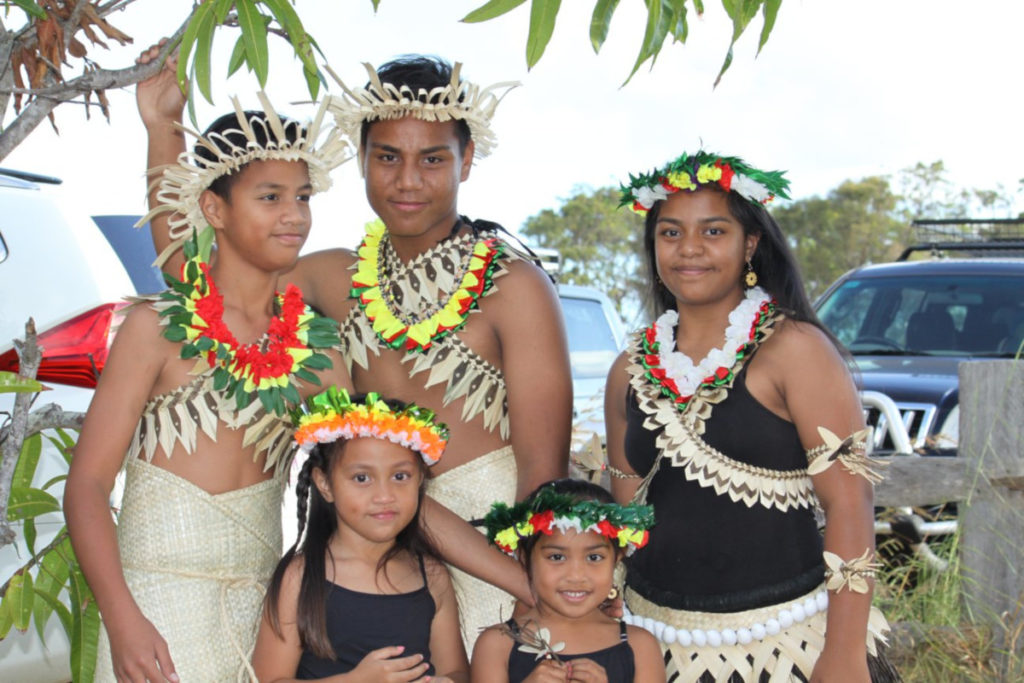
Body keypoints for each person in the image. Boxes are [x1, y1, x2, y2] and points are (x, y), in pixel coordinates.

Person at [137, 49, 573, 649]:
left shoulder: (513, 286)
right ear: (362, 160)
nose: (408, 180)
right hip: (383, 568)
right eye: (387, 158)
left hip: (498, 566)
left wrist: (533, 590)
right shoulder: (335, 278)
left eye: (433, 159)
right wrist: (163, 130)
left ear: (467, 160)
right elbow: (197, 285)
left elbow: (544, 476)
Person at [64, 96, 352, 682]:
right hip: (154, 611)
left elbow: (359, 481)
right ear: (213, 210)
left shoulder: (318, 355)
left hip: (263, 614)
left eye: (302, 197)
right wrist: (123, 620)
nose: (294, 214)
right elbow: (87, 486)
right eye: (270, 197)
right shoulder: (156, 330)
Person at [604, 152, 899, 682]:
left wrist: (845, 651)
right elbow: (626, 498)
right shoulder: (629, 369)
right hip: (655, 645)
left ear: (751, 244)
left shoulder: (796, 350)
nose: (689, 249)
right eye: (670, 233)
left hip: (788, 645)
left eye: (712, 231)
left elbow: (849, 499)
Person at [253, 387, 468, 681]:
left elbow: (457, 671)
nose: (384, 495)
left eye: (400, 476)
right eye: (362, 478)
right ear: (325, 484)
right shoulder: (300, 578)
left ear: (419, 480)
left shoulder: (432, 577)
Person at [472, 479, 664, 683]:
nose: (576, 575)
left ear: (617, 558)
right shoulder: (496, 645)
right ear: (525, 558)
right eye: (557, 557)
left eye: (594, 558)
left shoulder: (640, 646)